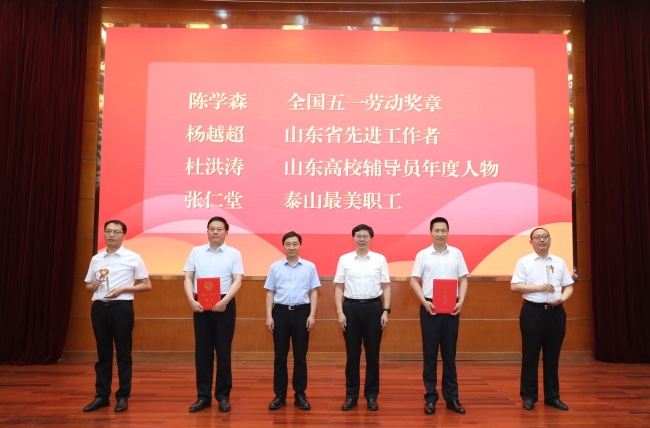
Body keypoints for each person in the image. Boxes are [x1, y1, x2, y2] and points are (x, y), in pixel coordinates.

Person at [82, 220, 152, 413]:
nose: (111, 235)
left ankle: (122, 396)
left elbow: (147, 285)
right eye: (108, 231)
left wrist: (123, 289)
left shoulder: (133, 257)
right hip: (99, 308)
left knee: (123, 354)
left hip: (121, 309)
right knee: (103, 354)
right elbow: (88, 286)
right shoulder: (97, 259)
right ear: (104, 234)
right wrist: (93, 286)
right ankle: (102, 396)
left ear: (124, 235)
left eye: (116, 232)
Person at [184, 216, 244, 413]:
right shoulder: (196, 252)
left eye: (219, 229)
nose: (215, 232)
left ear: (226, 232)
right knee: (202, 352)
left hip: (225, 304)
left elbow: (237, 281)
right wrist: (191, 300)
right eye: (212, 229)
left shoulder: (234, 253)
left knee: (223, 352)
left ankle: (223, 396)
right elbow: (188, 278)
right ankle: (203, 396)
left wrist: (224, 301)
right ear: (207, 231)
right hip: (200, 304)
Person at [410, 217, 468, 415]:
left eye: (443, 230)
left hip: (452, 309)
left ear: (448, 232)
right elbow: (413, 281)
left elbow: (463, 279)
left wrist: (461, 302)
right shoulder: (423, 255)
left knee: (450, 355)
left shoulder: (457, 253)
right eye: (437, 230)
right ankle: (430, 398)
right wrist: (424, 302)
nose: (440, 234)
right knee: (430, 355)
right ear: (431, 232)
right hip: (430, 308)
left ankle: (452, 398)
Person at [511, 227, 574, 411]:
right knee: (530, 355)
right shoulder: (524, 262)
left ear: (550, 240)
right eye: (537, 237)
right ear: (531, 241)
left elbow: (569, 286)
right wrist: (538, 288)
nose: (542, 240)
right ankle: (529, 396)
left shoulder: (559, 262)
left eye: (545, 236)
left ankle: (552, 397)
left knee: (553, 356)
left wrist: (562, 299)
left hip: (556, 312)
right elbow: (515, 287)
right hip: (533, 312)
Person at [334, 224, 391, 411]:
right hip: (350, 308)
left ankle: (372, 396)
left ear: (371, 239)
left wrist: (385, 310)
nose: (361, 239)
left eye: (365, 236)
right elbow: (339, 288)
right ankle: (351, 396)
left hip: (374, 308)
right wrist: (340, 312)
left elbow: (386, 287)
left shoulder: (379, 259)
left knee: (373, 355)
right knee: (352, 355)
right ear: (353, 238)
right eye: (358, 236)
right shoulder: (344, 259)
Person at [264, 231, 320, 411]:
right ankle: (280, 395)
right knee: (280, 356)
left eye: (295, 244)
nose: (291, 247)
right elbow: (270, 293)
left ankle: (300, 394)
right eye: (288, 244)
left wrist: (312, 315)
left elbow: (314, 292)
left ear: (300, 246)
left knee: (300, 356)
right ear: (283, 246)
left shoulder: (309, 267)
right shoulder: (275, 267)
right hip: (280, 313)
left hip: (302, 313)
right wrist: (269, 316)